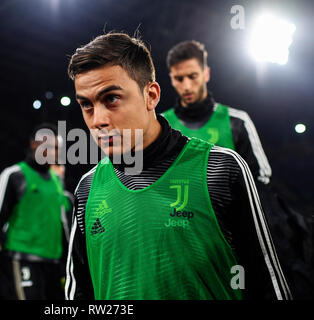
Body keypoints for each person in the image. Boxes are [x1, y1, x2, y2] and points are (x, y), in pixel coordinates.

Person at [65, 32, 292, 300]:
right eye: (86, 105)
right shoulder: (88, 189)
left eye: (111, 99)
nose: (98, 120)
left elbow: (266, 285)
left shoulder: (221, 169)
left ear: (151, 95)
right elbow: (79, 293)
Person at [163, 40, 312, 299]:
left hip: (231, 245)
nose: (186, 85)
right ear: (171, 79)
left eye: (193, 76)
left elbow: (260, 181)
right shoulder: (161, 125)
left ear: (206, 74)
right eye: (179, 78)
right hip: (178, 243)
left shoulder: (236, 122)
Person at [0, 123, 70, 300]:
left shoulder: (57, 182)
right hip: (23, 260)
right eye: (49, 146)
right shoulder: (14, 175)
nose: (53, 152)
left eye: (57, 148)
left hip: (53, 266)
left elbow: (65, 226)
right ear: (34, 144)